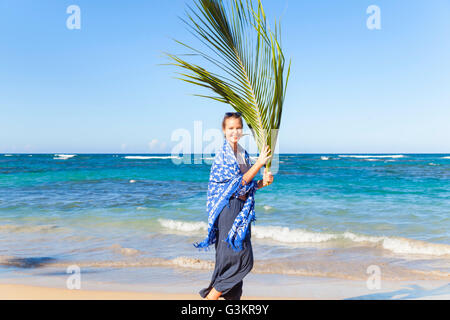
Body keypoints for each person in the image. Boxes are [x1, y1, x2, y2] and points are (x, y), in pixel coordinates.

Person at [198, 112, 274, 300]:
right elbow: (236, 184)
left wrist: (264, 182)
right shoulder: (224, 154)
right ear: (224, 131)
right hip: (228, 210)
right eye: (231, 128)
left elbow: (246, 187)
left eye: (238, 128)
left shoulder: (242, 153)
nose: (235, 132)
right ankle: (210, 299)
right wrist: (259, 163)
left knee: (234, 268)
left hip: (240, 211)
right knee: (240, 260)